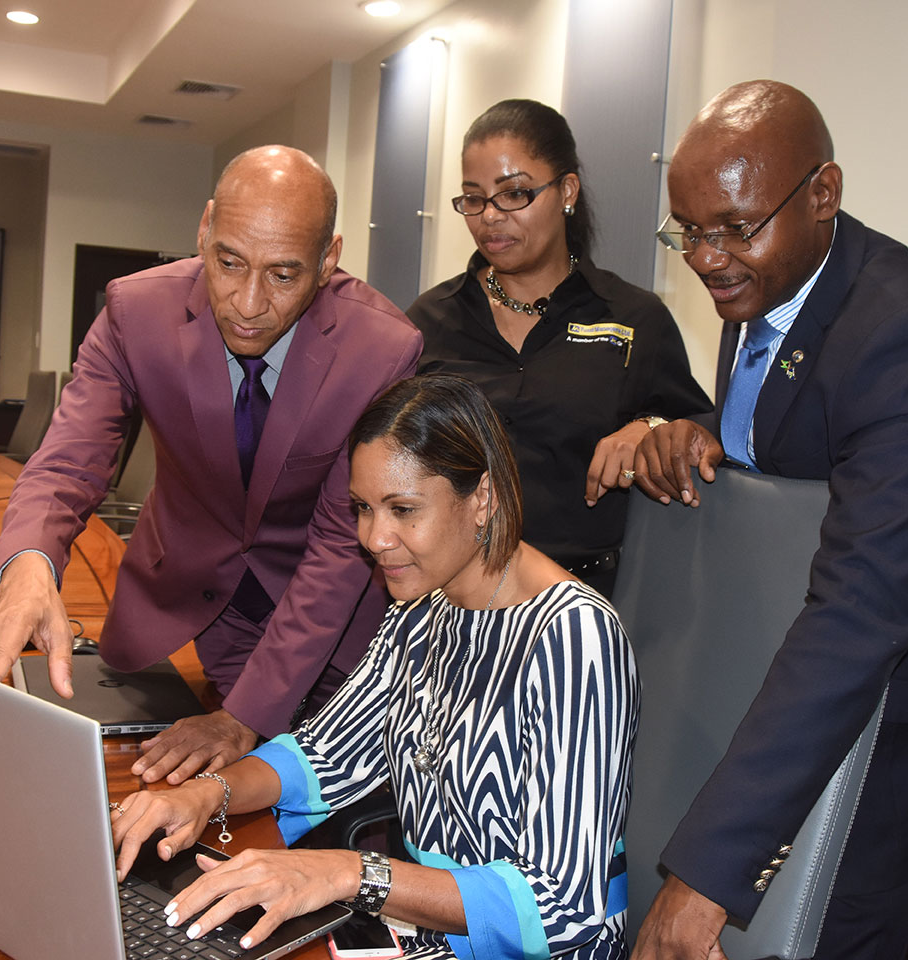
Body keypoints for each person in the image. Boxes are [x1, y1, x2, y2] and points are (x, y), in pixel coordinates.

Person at [630, 81, 908, 960]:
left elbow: (860, 616)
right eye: (689, 230)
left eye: (734, 227)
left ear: (823, 193)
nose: (708, 257)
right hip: (778, 685)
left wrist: (708, 874)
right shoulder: (769, 277)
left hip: (877, 723)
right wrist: (701, 434)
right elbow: (795, 432)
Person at [111, 374, 639, 960]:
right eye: (363, 508)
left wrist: (350, 874)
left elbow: (560, 908)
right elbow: (324, 756)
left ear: (483, 497)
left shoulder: (573, 636)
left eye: (403, 509)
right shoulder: (423, 608)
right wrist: (209, 793)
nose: (375, 538)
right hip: (423, 928)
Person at [0, 146, 423, 783]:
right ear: (204, 229)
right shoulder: (134, 313)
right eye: (229, 262)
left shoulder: (382, 349)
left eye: (284, 275)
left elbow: (337, 544)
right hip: (200, 606)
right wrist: (28, 568)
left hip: (332, 618)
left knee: (329, 801)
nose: (247, 302)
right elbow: (68, 460)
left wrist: (241, 717)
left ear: (328, 260)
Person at [408, 99, 711, 597]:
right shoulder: (429, 321)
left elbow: (699, 431)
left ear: (567, 191)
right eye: (474, 199)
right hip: (452, 602)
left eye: (514, 194)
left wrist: (649, 429)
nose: (490, 218)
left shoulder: (632, 318)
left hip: (585, 603)